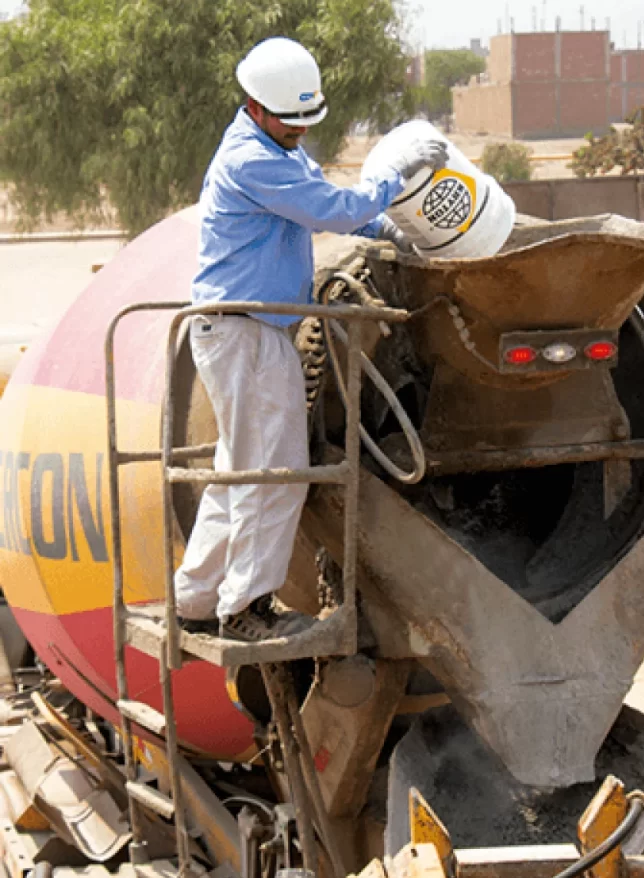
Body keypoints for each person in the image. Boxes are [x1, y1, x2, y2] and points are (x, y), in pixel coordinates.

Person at [174, 36, 448, 641]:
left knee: (239, 470)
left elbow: (328, 206)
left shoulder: (280, 146)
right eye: (289, 119)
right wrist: (390, 180)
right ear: (255, 105)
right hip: (245, 330)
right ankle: (244, 609)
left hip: (251, 329)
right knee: (276, 473)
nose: (300, 129)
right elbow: (330, 208)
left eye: (306, 120)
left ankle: (194, 599)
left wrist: (390, 228)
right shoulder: (252, 159)